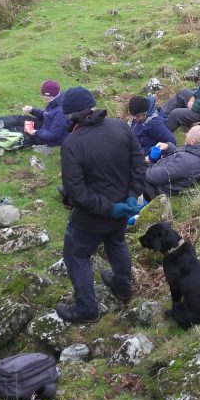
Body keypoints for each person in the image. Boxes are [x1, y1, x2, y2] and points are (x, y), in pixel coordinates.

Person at [57, 86, 146, 323]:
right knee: (116, 242)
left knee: (77, 255)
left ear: (70, 115)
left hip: (91, 217)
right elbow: (138, 166)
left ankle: (86, 309)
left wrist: (109, 208)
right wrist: (131, 196)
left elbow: (76, 192)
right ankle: (122, 286)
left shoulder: (72, 144)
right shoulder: (120, 127)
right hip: (121, 209)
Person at [0, 80, 70, 147]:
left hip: (50, 139)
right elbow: (48, 115)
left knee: (20, 130)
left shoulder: (60, 111)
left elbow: (54, 135)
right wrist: (32, 110)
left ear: (49, 95)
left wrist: (36, 132)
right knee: (21, 118)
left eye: (43, 95)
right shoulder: (56, 100)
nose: (42, 96)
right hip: (46, 126)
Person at [143, 125, 200, 201]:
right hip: (158, 172)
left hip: (155, 189)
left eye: (188, 133)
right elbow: (183, 153)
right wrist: (168, 147)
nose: (186, 134)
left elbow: (155, 177)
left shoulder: (186, 162)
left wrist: (139, 169)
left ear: (193, 141)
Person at [129, 94, 178, 161]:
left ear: (145, 113)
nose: (134, 118)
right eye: (133, 115)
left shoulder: (154, 124)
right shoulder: (138, 117)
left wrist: (151, 157)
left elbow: (171, 142)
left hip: (146, 154)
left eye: (137, 116)